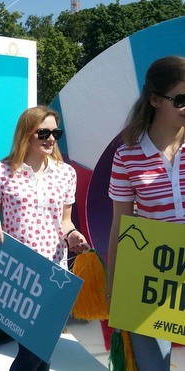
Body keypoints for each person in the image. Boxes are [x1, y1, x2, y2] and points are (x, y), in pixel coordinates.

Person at [0, 106, 89, 371]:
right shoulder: (0, 171)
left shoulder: (66, 173)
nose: (50, 138)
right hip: (18, 271)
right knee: (32, 351)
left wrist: (73, 234)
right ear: (26, 133)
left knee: (42, 347)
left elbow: (65, 221)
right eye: (43, 132)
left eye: (56, 133)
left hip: (54, 270)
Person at [106, 55, 184, 370]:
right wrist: (113, 284)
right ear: (154, 99)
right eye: (181, 99)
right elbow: (120, 226)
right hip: (150, 276)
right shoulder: (127, 155)